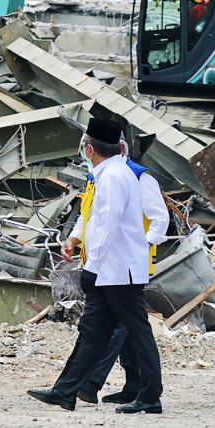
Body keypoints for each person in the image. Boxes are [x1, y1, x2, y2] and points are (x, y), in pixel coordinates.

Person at [27, 117, 164, 414]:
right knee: (92, 330)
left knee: (137, 331)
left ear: (90, 149)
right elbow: (92, 221)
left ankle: (150, 395)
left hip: (118, 270)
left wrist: (93, 267)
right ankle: (67, 390)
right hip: (111, 270)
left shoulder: (114, 177)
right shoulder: (107, 174)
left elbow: (109, 225)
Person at [65, 135, 170, 405]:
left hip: (125, 263)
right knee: (118, 327)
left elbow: (159, 218)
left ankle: (93, 385)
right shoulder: (98, 176)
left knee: (120, 327)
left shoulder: (136, 176)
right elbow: (88, 216)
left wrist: (140, 245)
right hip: (104, 262)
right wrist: (75, 238)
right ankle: (133, 387)